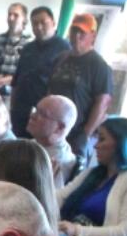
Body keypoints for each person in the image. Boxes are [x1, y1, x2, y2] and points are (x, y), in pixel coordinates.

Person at [47, 12, 113, 158]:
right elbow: (50, 91)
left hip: (76, 134)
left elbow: (103, 103)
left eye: (82, 32)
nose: (77, 36)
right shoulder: (61, 58)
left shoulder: (99, 65)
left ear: (93, 36)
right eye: (74, 31)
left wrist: (85, 134)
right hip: (53, 130)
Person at [9, 6, 70, 138]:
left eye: (43, 22)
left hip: (45, 114)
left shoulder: (65, 50)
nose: (39, 27)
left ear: (53, 23)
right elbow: (17, 79)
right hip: (21, 110)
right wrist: (12, 106)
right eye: (35, 24)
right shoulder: (27, 48)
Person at [27, 94, 78, 187]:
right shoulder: (34, 144)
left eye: (42, 114)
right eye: (35, 110)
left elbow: (49, 199)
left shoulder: (57, 163)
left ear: (60, 127)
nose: (32, 116)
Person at [0, 2, 31, 97]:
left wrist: (2, 80)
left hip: (20, 94)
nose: (11, 18)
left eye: (16, 15)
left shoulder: (30, 43)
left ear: (24, 19)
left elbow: (27, 73)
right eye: (9, 14)